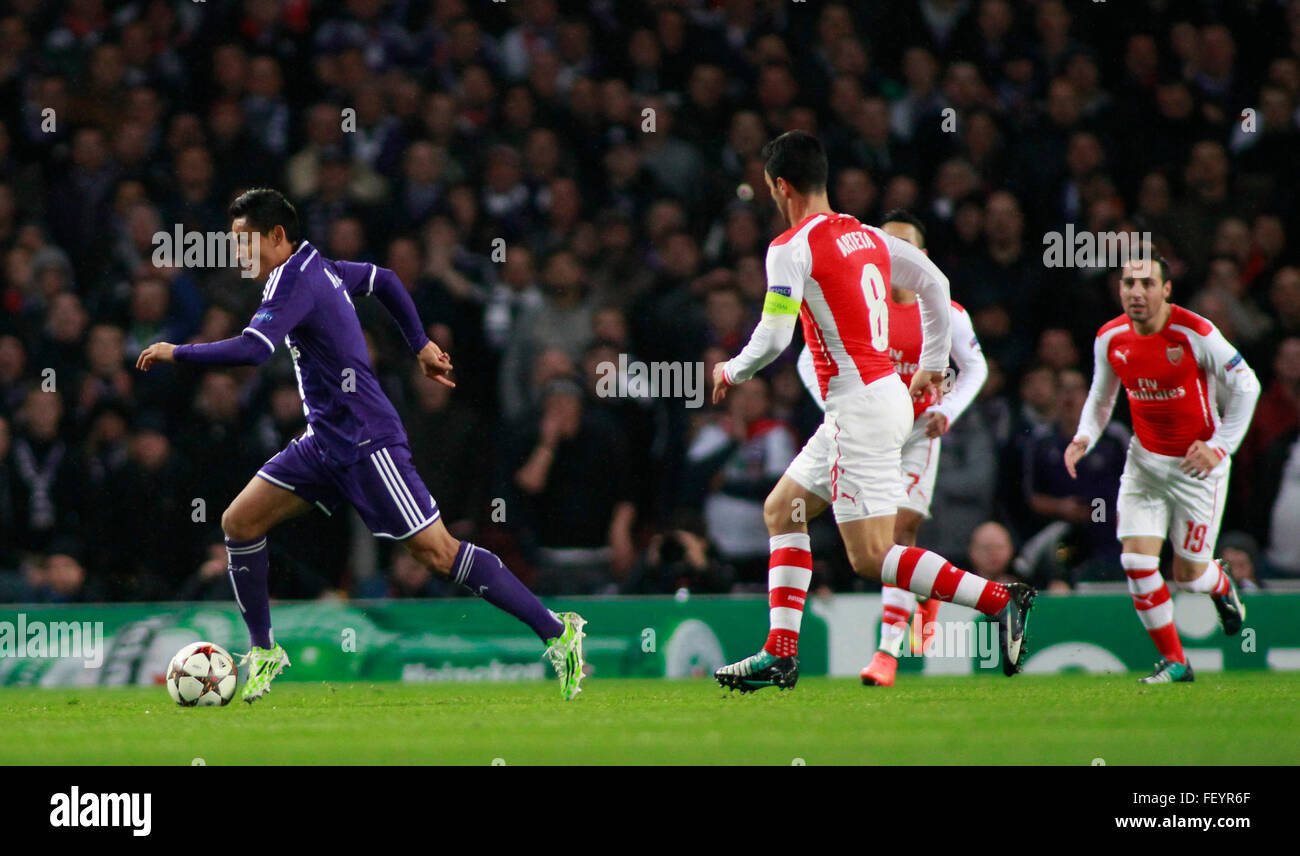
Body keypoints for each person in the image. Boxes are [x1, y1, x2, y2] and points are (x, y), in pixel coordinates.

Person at [136, 188, 586, 702]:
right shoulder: (318, 266)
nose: (239, 254)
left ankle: (557, 629)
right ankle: (264, 651)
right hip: (322, 441)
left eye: (245, 242)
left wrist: (178, 350)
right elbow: (385, 280)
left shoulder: (293, 280)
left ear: (277, 237)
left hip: (366, 441)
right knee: (239, 523)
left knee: (438, 555)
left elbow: (253, 350)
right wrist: (420, 345)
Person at [709, 131, 1034, 692]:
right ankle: (780, 652)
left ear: (781, 186)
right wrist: (932, 362)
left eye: (768, 188)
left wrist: (732, 370)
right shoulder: (865, 236)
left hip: (860, 407)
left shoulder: (790, 247)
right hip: (873, 400)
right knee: (783, 509)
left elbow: (773, 335)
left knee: (871, 556)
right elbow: (936, 281)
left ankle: (1000, 598)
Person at [792, 209, 990, 687]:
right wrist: (836, 405)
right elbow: (805, 359)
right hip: (865, 432)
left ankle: (886, 654)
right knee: (877, 544)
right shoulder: (858, 303)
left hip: (916, 437)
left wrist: (949, 411)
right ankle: (927, 591)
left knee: (899, 531)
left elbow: (975, 369)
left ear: (918, 257)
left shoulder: (946, 313)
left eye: (902, 245)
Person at [1066, 250, 1260, 683]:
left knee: (1189, 576)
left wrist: (1220, 446)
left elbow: (1247, 384)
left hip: (1197, 471)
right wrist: (1083, 437)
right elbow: (1102, 397)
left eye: (1147, 284)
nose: (1136, 292)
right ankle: (1176, 661)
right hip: (1145, 466)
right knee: (1136, 564)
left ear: (1167, 289)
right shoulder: (1110, 337)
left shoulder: (1196, 332)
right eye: (1128, 283)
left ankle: (1220, 583)